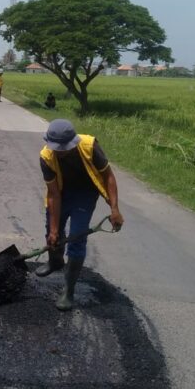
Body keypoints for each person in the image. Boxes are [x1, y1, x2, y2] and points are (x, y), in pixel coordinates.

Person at [38, 119, 124, 311]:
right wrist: (53, 230)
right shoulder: (46, 156)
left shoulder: (89, 146)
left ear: (72, 142)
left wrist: (115, 209)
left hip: (85, 195)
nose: (60, 151)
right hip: (61, 192)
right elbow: (53, 194)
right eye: (56, 148)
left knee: (77, 236)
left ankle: (69, 290)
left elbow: (108, 176)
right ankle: (55, 261)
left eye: (64, 148)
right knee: (52, 232)